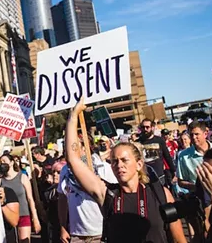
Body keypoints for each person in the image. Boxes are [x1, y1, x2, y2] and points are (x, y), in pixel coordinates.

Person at [65, 99, 186, 243]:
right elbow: (73, 160)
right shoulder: (108, 194)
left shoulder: (160, 193)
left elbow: (179, 239)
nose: (119, 165)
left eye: (124, 160)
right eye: (114, 161)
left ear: (139, 164)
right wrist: (73, 117)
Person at [0, 153, 41, 242]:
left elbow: (30, 198)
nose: (2, 163)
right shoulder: (0, 181)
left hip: (23, 214)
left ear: (11, 162)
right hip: (8, 218)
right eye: (0, 162)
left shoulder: (22, 177)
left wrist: (35, 218)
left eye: (4, 161)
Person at [177, 122, 212, 192]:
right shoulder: (184, 156)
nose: (194, 137)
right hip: (200, 197)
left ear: (205, 134)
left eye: (196, 134)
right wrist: (197, 187)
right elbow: (181, 181)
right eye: (191, 135)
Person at [139, 119, 176, 185]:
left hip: (160, 175)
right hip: (146, 177)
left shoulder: (159, 140)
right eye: (143, 127)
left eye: (147, 127)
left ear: (152, 128)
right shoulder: (139, 142)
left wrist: (173, 171)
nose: (145, 129)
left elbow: (167, 156)